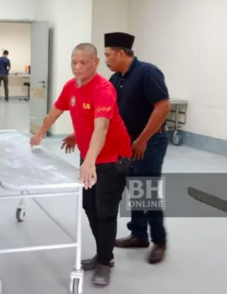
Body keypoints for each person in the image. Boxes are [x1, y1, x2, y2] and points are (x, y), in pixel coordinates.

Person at [30, 43, 132, 287]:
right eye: (74, 62)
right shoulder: (71, 87)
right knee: (90, 207)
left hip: (111, 160)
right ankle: (103, 254)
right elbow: (54, 112)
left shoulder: (104, 89)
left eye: (83, 63)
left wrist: (88, 161)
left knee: (106, 213)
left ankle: (105, 261)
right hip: (90, 158)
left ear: (95, 63)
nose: (77, 67)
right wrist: (40, 133)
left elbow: (102, 128)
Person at [104, 32, 171, 264]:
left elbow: (162, 106)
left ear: (121, 53)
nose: (106, 60)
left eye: (108, 55)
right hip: (126, 143)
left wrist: (142, 139)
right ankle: (139, 234)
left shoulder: (147, 72)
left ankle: (159, 240)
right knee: (134, 187)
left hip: (149, 142)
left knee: (147, 189)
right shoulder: (116, 78)